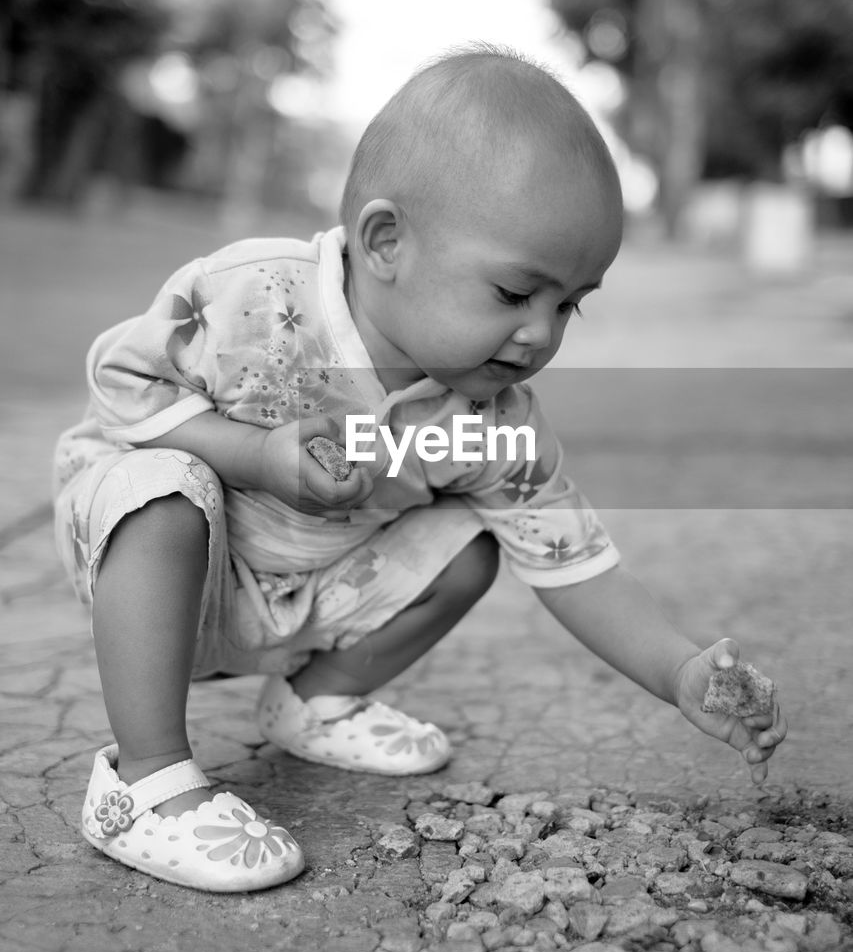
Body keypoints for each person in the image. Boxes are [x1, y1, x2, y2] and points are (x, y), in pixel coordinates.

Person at [54, 45, 787, 893]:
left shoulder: (489, 420)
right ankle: (145, 784)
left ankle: (315, 700)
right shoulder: (258, 299)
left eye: (569, 304)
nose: (542, 336)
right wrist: (251, 452)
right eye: (516, 295)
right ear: (385, 242)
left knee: (472, 542)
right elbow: (122, 381)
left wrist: (679, 670)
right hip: (160, 569)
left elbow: (573, 563)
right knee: (159, 495)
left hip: (308, 587)